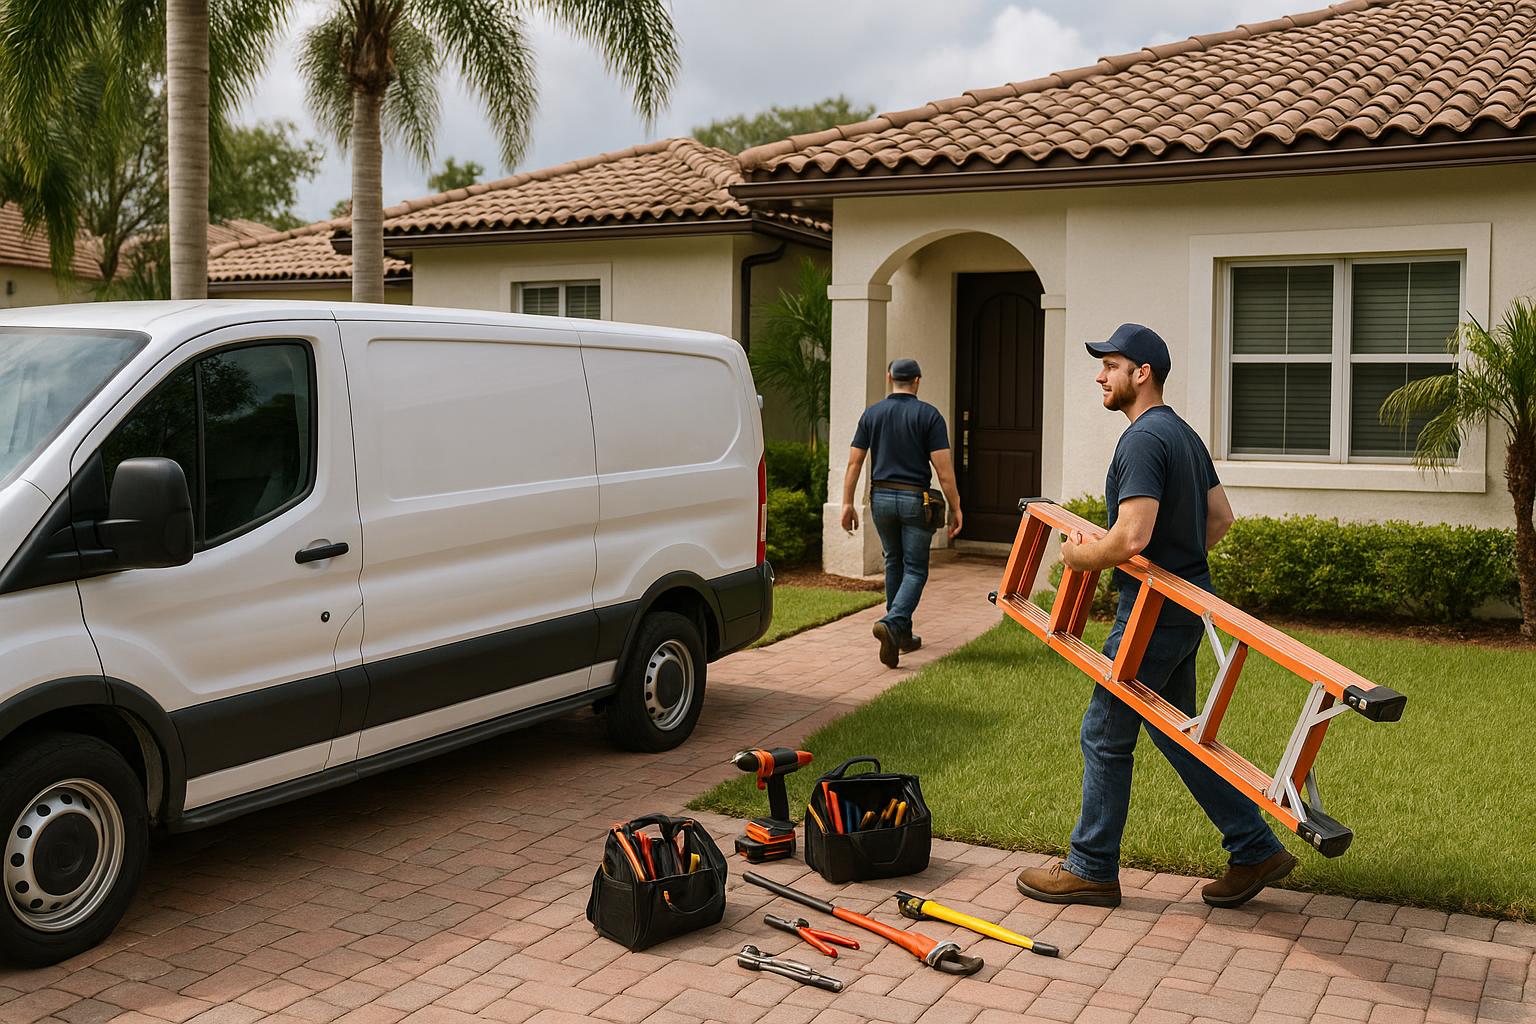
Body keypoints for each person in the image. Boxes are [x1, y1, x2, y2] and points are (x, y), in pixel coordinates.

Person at [1015, 323, 1295, 910]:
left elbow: (1131, 537)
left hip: (1151, 614)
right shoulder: (1184, 436)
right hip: (1187, 606)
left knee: (1104, 733)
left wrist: (1075, 556)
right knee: (1178, 734)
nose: (1100, 376)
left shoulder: (1143, 439)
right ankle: (1254, 849)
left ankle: (1090, 868)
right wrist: (1180, 566)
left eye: (1111, 365)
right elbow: (1218, 519)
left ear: (1142, 373)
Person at [839, 358, 962, 669]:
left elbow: (854, 464)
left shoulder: (872, 413)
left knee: (893, 561)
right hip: (914, 500)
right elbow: (944, 471)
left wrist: (846, 503)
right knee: (916, 569)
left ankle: (900, 635)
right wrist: (956, 507)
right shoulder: (929, 415)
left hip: (880, 497)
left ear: (889, 377)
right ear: (917, 381)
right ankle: (894, 622)